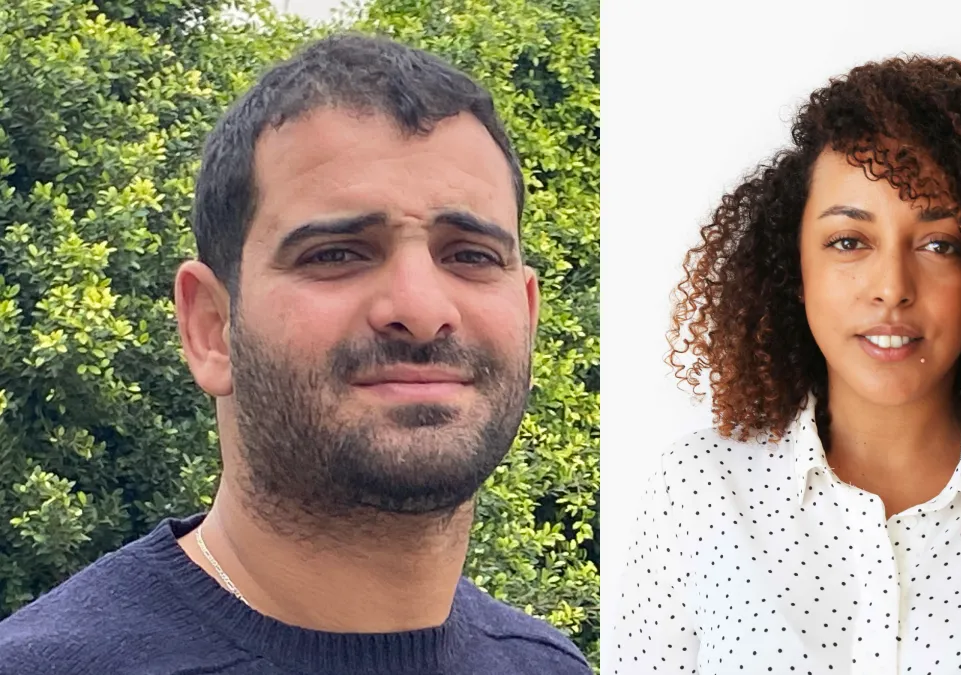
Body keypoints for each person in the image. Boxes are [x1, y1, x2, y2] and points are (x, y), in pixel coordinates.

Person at [0, 33, 591, 675]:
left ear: (528, 315)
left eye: (471, 256)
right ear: (210, 327)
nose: (421, 309)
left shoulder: (547, 664)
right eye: (336, 254)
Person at [612, 56, 961, 673]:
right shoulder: (698, 490)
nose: (892, 287)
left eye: (941, 245)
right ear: (794, 268)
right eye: (849, 242)